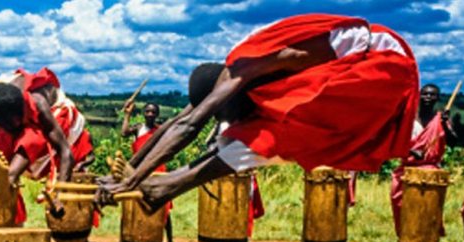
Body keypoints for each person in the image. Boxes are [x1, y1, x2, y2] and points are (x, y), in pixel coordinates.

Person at [98, 14, 418, 210]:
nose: (230, 120)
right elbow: (179, 121)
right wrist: (128, 171)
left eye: (225, 113)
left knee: (279, 137)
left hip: (381, 64)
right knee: (255, 139)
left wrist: (131, 182)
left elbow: (192, 126)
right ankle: (163, 187)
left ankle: (164, 187)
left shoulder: (244, 69)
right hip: (326, 77)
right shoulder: (222, 83)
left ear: (227, 96)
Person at [0, 67, 76, 224]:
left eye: (13, 124)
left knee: (31, 138)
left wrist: (60, 195)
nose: (11, 128)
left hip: (49, 121)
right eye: (4, 125)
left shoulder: (39, 103)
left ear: (21, 112)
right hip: (12, 120)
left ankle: (9, 177)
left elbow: (65, 152)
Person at [390, 84, 458, 235]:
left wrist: (445, 126)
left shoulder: (441, 119)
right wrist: (411, 151)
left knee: (429, 208)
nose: (428, 97)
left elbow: (454, 141)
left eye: (432, 95)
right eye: (425, 94)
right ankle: (406, 238)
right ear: (419, 96)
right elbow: (394, 141)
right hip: (406, 168)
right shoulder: (409, 118)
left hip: (431, 169)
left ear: (437, 98)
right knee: (398, 201)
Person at [120, 102, 180, 242]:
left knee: (163, 204)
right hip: (138, 171)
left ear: (157, 115)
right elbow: (124, 132)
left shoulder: (160, 131)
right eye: (147, 111)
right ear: (143, 113)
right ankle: (122, 239)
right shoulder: (138, 129)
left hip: (157, 169)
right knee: (130, 204)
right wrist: (127, 114)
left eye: (153, 112)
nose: (150, 114)